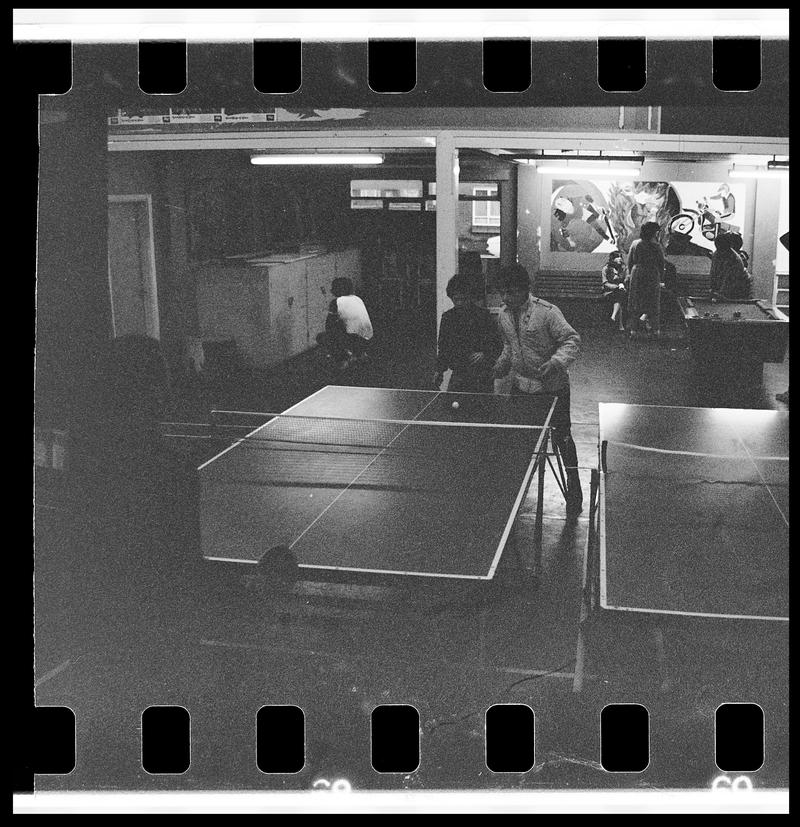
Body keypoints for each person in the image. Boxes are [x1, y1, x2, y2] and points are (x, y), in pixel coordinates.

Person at [492, 264, 583, 518]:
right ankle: (516, 494)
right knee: (521, 443)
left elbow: (571, 340)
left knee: (562, 438)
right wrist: (500, 366)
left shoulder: (548, 313)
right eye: (502, 293)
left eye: (510, 292)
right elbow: (510, 347)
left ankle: (574, 489)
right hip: (522, 388)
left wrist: (555, 362)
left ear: (524, 290)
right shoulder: (503, 315)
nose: (505, 298)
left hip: (553, 388)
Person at [433, 273, 502, 393]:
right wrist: (439, 371)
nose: (459, 303)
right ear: (451, 298)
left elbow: (498, 345)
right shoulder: (448, 318)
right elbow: (443, 348)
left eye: (463, 299)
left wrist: (485, 354)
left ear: (470, 297)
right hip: (459, 374)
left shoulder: (483, 316)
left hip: (482, 376)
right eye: (456, 299)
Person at [320, 277, 374, 370]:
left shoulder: (336, 302)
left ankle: (343, 359)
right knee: (342, 328)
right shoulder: (358, 299)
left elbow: (329, 324)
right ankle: (360, 354)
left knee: (322, 337)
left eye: (333, 287)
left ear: (338, 289)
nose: (331, 290)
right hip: (368, 337)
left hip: (353, 338)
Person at [626, 221, 665, 338]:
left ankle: (634, 330)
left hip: (637, 273)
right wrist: (660, 277)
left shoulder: (635, 244)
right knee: (653, 302)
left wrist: (631, 273)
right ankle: (655, 330)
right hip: (652, 274)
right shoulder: (657, 246)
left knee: (635, 301)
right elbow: (661, 263)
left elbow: (630, 261)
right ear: (654, 233)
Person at [709, 232, 752, 300]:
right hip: (726, 287)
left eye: (723, 250)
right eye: (719, 249)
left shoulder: (735, 260)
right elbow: (713, 273)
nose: (720, 252)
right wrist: (712, 289)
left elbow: (729, 280)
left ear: (728, 248)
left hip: (740, 289)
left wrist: (720, 294)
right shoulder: (716, 254)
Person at [601, 251, 628, 331]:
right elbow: (605, 283)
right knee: (620, 296)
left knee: (620, 294)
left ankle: (613, 317)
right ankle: (620, 325)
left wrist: (623, 283)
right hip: (609, 292)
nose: (619, 258)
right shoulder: (606, 268)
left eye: (620, 257)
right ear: (612, 259)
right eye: (617, 257)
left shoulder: (623, 268)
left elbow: (626, 279)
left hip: (621, 291)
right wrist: (616, 287)